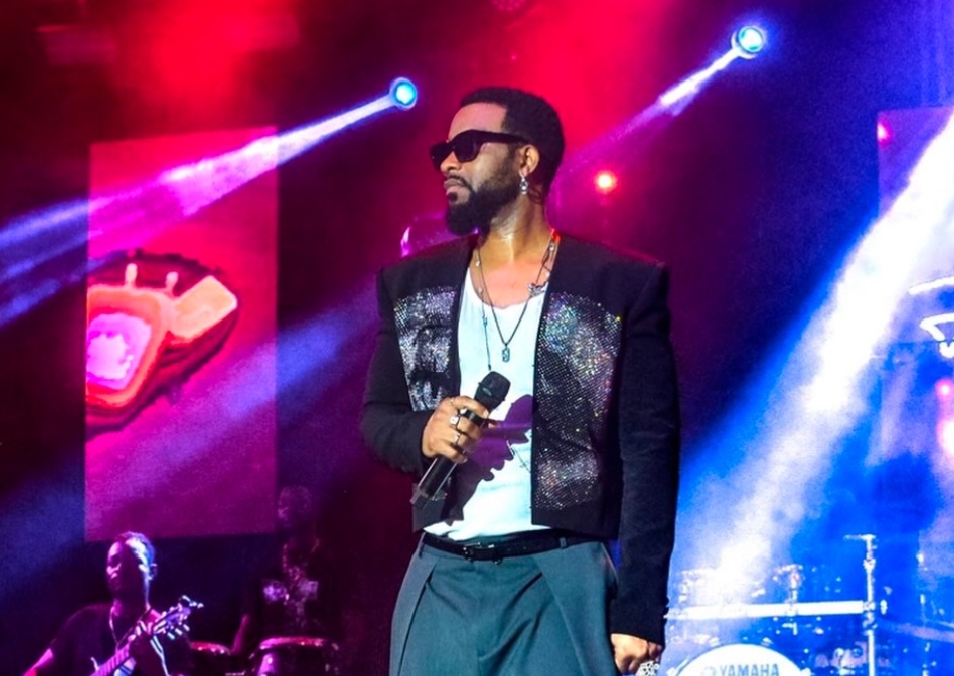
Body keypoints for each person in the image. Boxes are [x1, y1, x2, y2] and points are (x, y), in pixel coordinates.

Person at [360, 87, 680, 676]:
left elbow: (649, 454)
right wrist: (424, 433)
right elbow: (378, 417)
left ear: (526, 159)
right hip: (442, 572)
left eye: (467, 147)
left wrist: (640, 608)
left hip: (558, 572)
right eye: (442, 152)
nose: (447, 162)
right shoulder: (412, 285)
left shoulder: (617, 284)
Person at [24, 531, 192, 676]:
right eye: (113, 562)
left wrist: (158, 670)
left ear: (152, 572)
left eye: (133, 561)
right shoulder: (84, 621)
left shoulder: (171, 636)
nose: (120, 568)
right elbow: (37, 671)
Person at [231, 486, 344, 675]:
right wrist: (236, 654)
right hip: (272, 661)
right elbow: (249, 616)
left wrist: (344, 662)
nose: (286, 509)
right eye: (282, 504)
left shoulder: (331, 563)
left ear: (311, 509)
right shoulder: (266, 563)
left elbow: (352, 618)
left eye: (295, 503)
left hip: (317, 662)